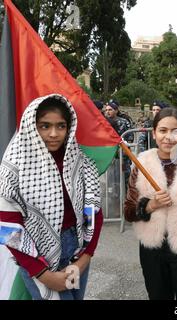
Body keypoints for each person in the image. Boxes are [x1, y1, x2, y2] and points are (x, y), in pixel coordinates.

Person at [0, 94, 104, 300]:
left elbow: (94, 211)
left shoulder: (79, 162)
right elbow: (9, 227)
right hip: (38, 258)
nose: (54, 133)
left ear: (69, 128)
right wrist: (42, 274)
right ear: (31, 126)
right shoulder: (14, 167)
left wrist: (85, 256)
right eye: (44, 126)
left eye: (61, 126)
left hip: (77, 248)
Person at [124, 107, 177, 300]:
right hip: (152, 249)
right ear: (154, 134)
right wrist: (150, 205)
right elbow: (129, 211)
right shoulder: (141, 164)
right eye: (162, 130)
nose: (168, 137)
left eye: (175, 131)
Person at [104, 100, 133, 187]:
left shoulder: (124, 122)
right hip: (110, 155)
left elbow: (130, 137)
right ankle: (113, 197)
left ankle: (126, 197)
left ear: (116, 110)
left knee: (125, 178)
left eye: (110, 110)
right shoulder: (104, 122)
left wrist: (126, 149)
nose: (108, 112)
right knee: (110, 178)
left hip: (123, 155)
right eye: (106, 110)